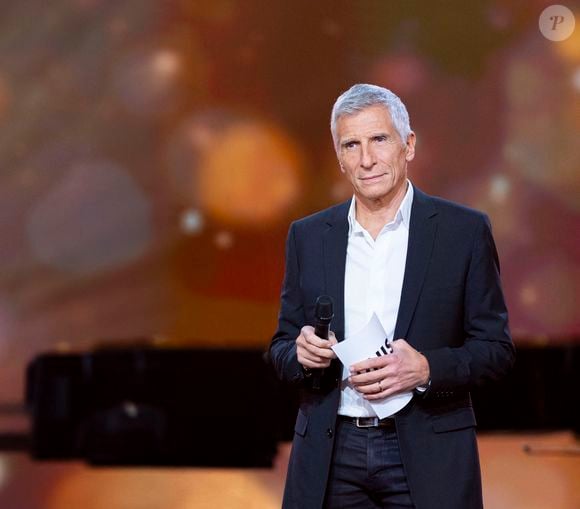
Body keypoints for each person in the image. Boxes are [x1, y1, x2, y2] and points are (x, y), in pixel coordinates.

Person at [269, 83, 515, 509]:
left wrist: (425, 369)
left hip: (427, 450)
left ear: (409, 145)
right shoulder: (308, 236)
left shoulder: (463, 232)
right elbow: (281, 348)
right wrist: (302, 354)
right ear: (339, 158)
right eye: (351, 145)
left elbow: (496, 350)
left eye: (379, 139)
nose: (366, 159)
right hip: (332, 453)